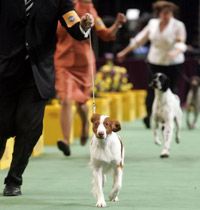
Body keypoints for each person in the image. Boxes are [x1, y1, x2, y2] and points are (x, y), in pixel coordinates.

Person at [0, 0, 94, 196]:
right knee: (2, 126)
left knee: (30, 127)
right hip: (5, 72)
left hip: (36, 75)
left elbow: (75, 28)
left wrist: (84, 25)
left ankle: (14, 180)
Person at [54, 0, 126, 156]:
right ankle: (66, 141)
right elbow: (56, 31)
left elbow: (106, 35)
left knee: (81, 103)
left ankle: (85, 128)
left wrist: (118, 24)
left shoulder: (91, 10)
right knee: (65, 99)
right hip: (63, 62)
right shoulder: (65, 6)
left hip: (84, 64)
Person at [117, 1, 187, 128]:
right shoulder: (152, 24)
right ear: (159, 13)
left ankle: (170, 116)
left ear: (172, 13)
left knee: (171, 91)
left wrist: (175, 52)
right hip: (155, 61)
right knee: (151, 89)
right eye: (163, 13)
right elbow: (139, 40)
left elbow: (181, 43)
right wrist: (124, 52)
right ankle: (150, 115)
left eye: (168, 13)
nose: (166, 15)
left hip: (173, 62)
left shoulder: (178, 25)